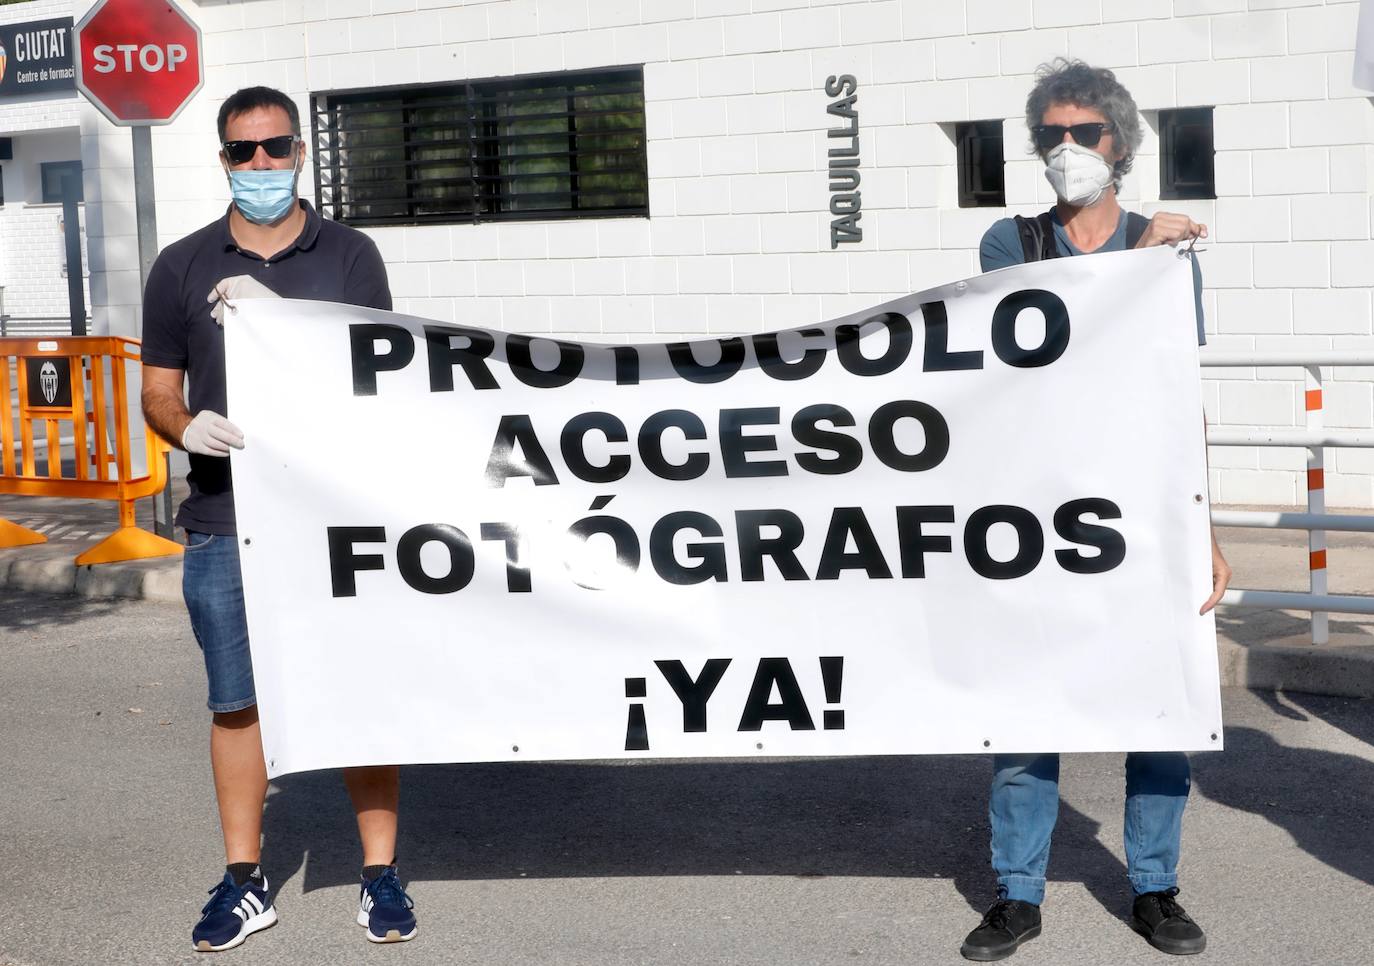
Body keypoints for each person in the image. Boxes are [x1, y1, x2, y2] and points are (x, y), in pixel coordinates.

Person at [961, 59, 1232, 962]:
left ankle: (1155, 887)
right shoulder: (1014, 242)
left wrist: (1207, 530)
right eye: (1053, 135)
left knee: (1156, 707)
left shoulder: (1166, 257)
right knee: (1029, 709)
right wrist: (1142, 255)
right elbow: (1052, 346)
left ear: (1123, 144)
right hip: (1039, 515)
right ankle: (1017, 894)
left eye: (1088, 133)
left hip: (1142, 512)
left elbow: (1175, 391)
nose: (1068, 149)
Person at [140, 86, 418, 952]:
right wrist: (190, 429)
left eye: (275, 147)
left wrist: (278, 322)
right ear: (222, 159)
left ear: (299, 151)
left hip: (331, 518)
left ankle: (380, 876)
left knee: (355, 692)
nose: (261, 164)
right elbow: (157, 389)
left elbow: (378, 372)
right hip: (225, 518)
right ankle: (245, 880)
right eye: (242, 151)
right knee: (236, 704)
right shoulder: (182, 265)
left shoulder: (350, 255)